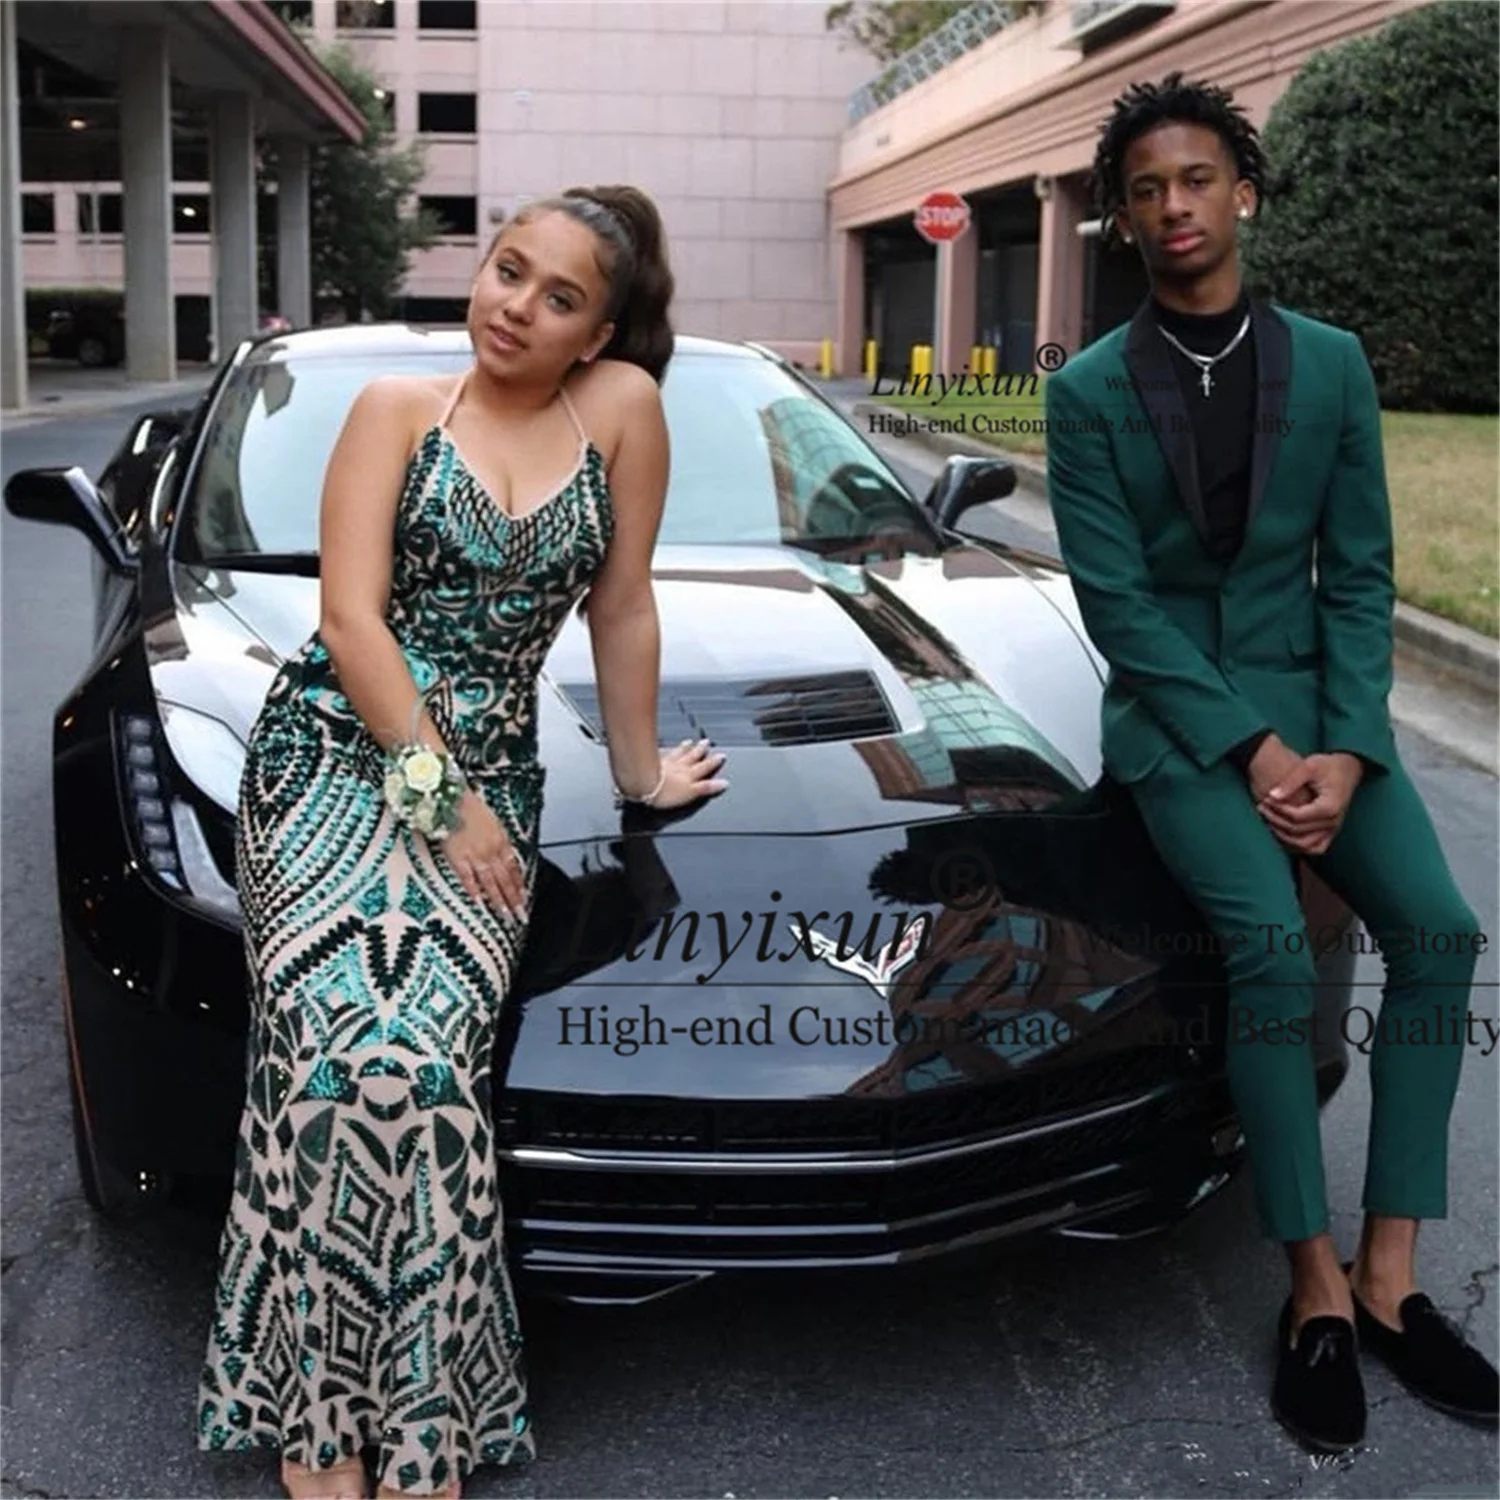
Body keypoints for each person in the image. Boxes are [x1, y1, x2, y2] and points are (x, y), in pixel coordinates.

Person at [195, 184, 729, 1500]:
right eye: (507, 269)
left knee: (425, 1068)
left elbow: (622, 605)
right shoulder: (394, 409)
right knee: (333, 1054)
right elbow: (352, 621)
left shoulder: (621, 412)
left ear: (597, 334)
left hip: (493, 766)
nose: (517, 306)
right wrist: (446, 802)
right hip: (335, 758)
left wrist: (643, 770)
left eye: (560, 297)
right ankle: (323, 1422)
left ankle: (424, 1419)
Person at [1045, 73, 1497, 1451]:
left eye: (1195, 179)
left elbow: (1358, 574)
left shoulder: (1335, 364)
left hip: (1322, 709)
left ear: (1242, 192)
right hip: (1181, 720)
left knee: (1440, 931)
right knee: (1268, 944)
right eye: (1145, 191)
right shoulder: (1086, 392)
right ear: (1125, 221)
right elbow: (1119, 606)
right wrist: (1250, 747)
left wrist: (1349, 749)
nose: (1172, 206)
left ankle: (1390, 1275)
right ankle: (1311, 1289)